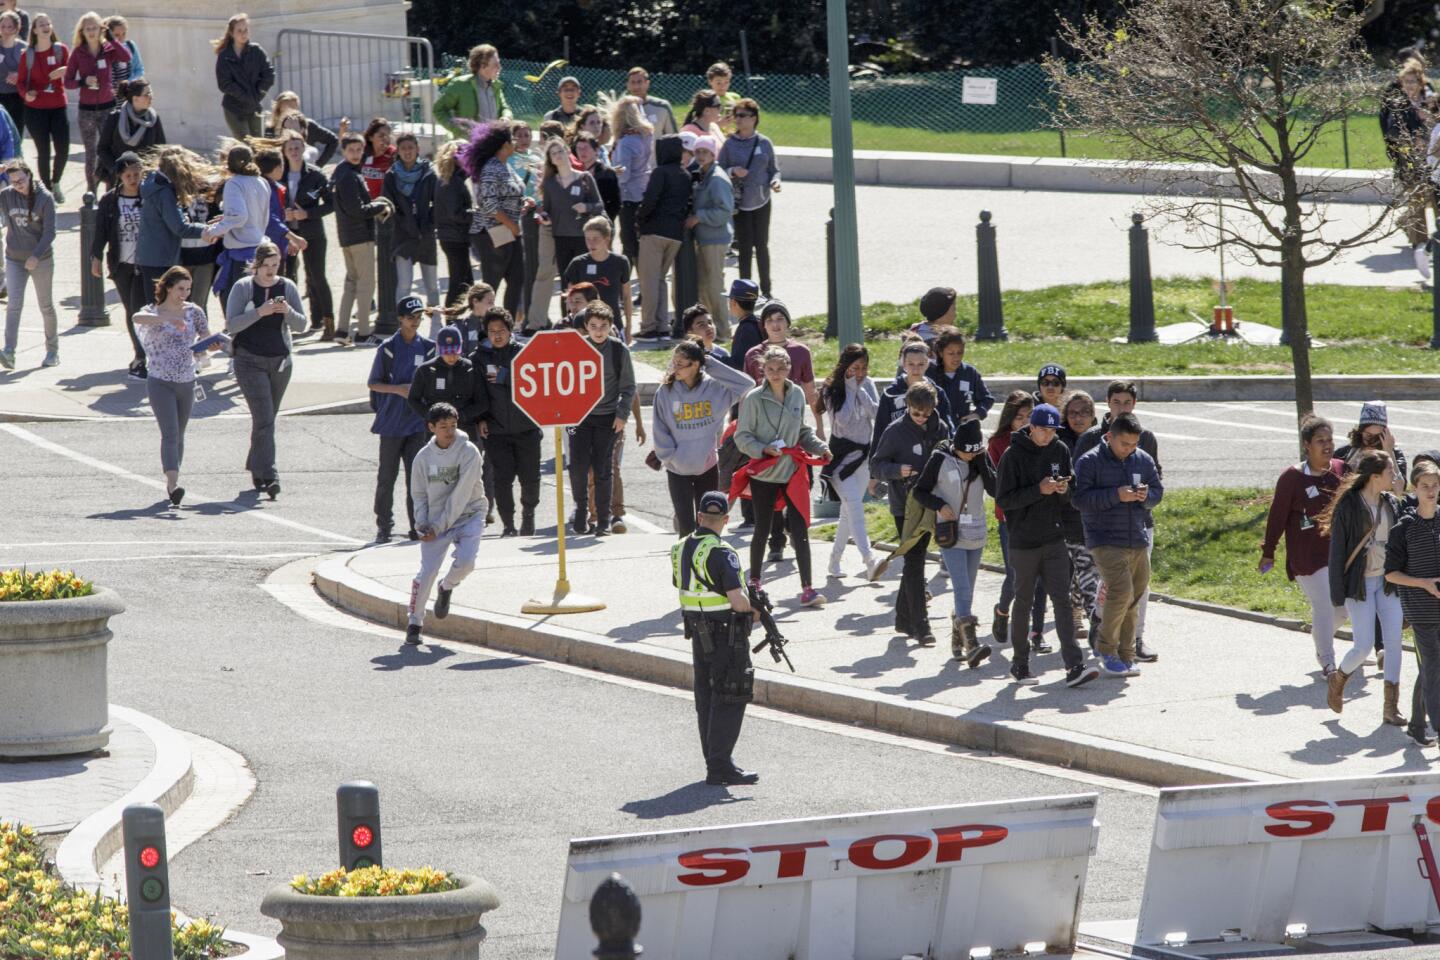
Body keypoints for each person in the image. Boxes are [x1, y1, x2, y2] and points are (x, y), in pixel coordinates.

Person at [996, 403, 1099, 687]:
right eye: (1044, 430)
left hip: (1054, 536)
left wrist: (1065, 489)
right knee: (1025, 602)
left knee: (1062, 601)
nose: (1049, 435)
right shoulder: (1012, 455)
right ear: (1032, 427)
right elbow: (1004, 500)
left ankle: (1074, 665)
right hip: (1023, 540)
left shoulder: (1060, 450)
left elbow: (1071, 488)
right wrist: (1038, 490)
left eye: (1054, 430)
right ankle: (1020, 664)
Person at [672, 490, 760, 786]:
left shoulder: (681, 547)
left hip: (697, 631)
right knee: (731, 694)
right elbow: (737, 600)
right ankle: (720, 766)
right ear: (725, 519)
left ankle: (713, 759)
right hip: (725, 633)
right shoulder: (723, 552)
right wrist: (754, 610)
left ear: (699, 517)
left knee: (706, 695)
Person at [733, 344, 831, 606]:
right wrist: (761, 449)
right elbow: (741, 436)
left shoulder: (797, 394)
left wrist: (821, 447)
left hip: (792, 471)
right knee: (762, 528)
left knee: (800, 529)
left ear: (789, 369)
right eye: (770, 368)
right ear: (761, 369)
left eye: (781, 368)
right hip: (764, 472)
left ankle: (808, 588)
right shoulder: (753, 398)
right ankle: (754, 581)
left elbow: (802, 431)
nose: (775, 373)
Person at [1075, 380, 1163, 662]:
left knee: (1135, 592)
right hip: (1103, 535)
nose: (1130, 449)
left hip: (1138, 531)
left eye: (1127, 402)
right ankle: (1105, 646)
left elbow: (1157, 487)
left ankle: (1130, 649)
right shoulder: (1090, 448)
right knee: (1119, 590)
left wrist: (1146, 497)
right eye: (1117, 402)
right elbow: (1079, 497)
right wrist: (1116, 495)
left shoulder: (1144, 449)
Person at [1319, 448, 1406, 723]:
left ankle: (1391, 708)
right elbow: (1337, 553)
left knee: (1393, 644)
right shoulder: (1349, 505)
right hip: (1359, 584)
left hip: (1387, 582)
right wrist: (1337, 594)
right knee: (1364, 646)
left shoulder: (1391, 503)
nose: (1394, 474)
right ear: (1374, 476)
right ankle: (1339, 678)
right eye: (1390, 470)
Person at [1260, 415, 1348, 678]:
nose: (1327, 445)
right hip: (1306, 557)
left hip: (1337, 554)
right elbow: (1277, 517)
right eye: (1320, 441)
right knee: (1323, 604)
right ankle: (1328, 663)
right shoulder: (1292, 477)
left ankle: (1320, 636)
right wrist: (1269, 552)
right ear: (1307, 445)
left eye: (1330, 439)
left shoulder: (1343, 470)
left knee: (1342, 611)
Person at [130, 267, 219, 507]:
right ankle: (173, 484)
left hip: (187, 380)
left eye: (188, 289)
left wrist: (213, 345)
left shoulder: (194, 312)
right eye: (180, 288)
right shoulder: (154, 311)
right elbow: (136, 318)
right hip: (160, 380)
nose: (185, 294)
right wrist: (167, 318)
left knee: (179, 433)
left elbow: (205, 338)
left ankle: (173, 481)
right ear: (168, 287)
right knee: (169, 433)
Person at [652, 337, 755, 536]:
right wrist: (669, 456)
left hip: (707, 467)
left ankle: (705, 566)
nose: (675, 368)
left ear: (696, 365)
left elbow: (746, 384)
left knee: (707, 527)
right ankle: (684, 566)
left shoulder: (715, 388)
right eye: (674, 363)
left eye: (681, 364)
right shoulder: (666, 390)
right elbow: (659, 428)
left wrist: (710, 363)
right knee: (686, 527)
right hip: (677, 469)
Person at [225, 240, 304, 496]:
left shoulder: (286, 286)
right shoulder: (243, 287)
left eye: (275, 265)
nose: (271, 271)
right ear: (256, 265)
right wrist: (260, 311)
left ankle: (256, 465)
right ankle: (270, 475)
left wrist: (287, 311)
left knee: (267, 420)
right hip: (249, 360)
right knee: (264, 419)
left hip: (280, 361)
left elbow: (302, 324)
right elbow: (232, 325)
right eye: (266, 265)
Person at [914, 419, 996, 667]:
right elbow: (920, 491)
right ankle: (972, 645)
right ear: (956, 446)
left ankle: (957, 639)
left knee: (968, 590)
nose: (969, 456)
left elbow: (994, 489)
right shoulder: (940, 459)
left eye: (974, 451)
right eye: (965, 452)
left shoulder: (979, 459)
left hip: (976, 533)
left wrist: (981, 462)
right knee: (961, 588)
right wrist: (940, 505)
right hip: (950, 533)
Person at [405, 401, 488, 645]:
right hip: (434, 522)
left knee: (466, 563)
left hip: (469, 513)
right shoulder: (423, 458)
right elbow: (418, 494)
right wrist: (422, 525)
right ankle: (414, 622)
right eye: (443, 427)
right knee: (426, 572)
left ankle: (447, 586)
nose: (450, 431)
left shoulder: (469, 451)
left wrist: (438, 527)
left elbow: (461, 494)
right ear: (431, 427)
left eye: (453, 425)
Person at [872, 380, 949, 642]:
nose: (920, 418)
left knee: (915, 558)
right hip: (902, 504)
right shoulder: (895, 431)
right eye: (916, 413)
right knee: (915, 560)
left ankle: (903, 619)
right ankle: (921, 626)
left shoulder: (941, 429)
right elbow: (876, 465)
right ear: (907, 406)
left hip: (930, 501)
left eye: (926, 414)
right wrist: (897, 470)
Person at [210, 144, 304, 320]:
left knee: (237, 305)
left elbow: (239, 217)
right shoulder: (262, 182)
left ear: (229, 166)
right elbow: (258, 217)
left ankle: (241, 339)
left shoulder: (234, 183)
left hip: (241, 254)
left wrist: (214, 230)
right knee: (257, 300)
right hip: (258, 248)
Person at [368, 296, 436, 541]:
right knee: (387, 477)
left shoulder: (428, 347)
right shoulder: (387, 348)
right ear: (400, 319)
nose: (415, 322)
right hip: (391, 424)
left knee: (416, 479)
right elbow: (373, 383)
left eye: (418, 317)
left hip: (417, 423)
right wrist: (398, 389)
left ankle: (416, 525)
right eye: (410, 317)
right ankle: (384, 526)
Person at [1385, 460, 1440, 747]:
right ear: (1414, 489)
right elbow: (1391, 573)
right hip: (1421, 611)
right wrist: (1423, 583)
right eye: (1425, 486)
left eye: (1435, 485)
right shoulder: (1403, 529)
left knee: (1430, 668)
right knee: (1432, 666)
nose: (1431, 491)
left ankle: (1418, 727)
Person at [568, 302, 635, 536]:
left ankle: (604, 519)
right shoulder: (576, 348)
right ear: (586, 326)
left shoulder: (618, 350)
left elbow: (628, 387)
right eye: (593, 326)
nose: (598, 331)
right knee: (577, 467)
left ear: (610, 327)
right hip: (581, 419)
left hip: (608, 418)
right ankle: (582, 510)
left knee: (603, 469)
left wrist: (622, 415)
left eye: (603, 326)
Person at [474, 306, 540, 536]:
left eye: (501, 330)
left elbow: (535, 383)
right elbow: (477, 392)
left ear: (510, 330)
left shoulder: (525, 353)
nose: (497, 335)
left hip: (527, 428)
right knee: (502, 480)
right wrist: (480, 419)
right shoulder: (479, 358)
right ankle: (509, 525)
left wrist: (505, 376)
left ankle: (529, 517)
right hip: (497, 431)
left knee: (530, 478)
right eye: (492, 331)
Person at [816, 343, 879, 579]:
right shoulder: (832, 388)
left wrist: (861, 389)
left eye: (863, 368)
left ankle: (834, 562)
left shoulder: (868, 384)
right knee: (854, 506)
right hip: (840, 458)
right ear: (845, 366)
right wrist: (851, 388)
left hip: (863, 456)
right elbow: (842, 421)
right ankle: (869, 559)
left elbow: (876, 413)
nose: (860, 373)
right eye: (855, 368)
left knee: (847, 512)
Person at [136, 147, 214, 325]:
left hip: (151, 257)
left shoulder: (152, 184)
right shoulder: (164, 192)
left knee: (157, 309)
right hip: (162, 259)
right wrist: (205, 230)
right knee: (164, 311)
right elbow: (179, 227)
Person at [330, 131, 393, 344]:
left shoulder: (343, 173)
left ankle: (342, 331)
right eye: (351, 150)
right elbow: (357, 209)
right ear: (344, 151)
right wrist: (381, 205)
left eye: (359, 149)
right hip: (359, 237)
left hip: (349, 237)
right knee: (365, 284)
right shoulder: (349, 175)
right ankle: (364, 332)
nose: (356, 154)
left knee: (351, 284)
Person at [461, 120, 527, 316]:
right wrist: (512, 225)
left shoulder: (505, 166)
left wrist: (523, 203)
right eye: (512, 140)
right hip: (492, 233)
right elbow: (488, 204)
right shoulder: (491, 168)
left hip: (509, 233)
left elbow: (510, 194)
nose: (515, 143)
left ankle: (507, 324)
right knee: (491, 284)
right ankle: (482, 323)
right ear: (504, 145)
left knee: (517, 278)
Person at [90, 151, 146, 376]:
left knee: (143, 309)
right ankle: (140, 354)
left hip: (146, 263)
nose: (133, 179)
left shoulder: (149, 196)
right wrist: (96, 257)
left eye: (136, 174)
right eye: (128, 175)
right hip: (122, 263)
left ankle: (146, 353)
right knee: (132, 310)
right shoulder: (110, 200)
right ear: (120, 177)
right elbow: (101, 231)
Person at [717, 98, 780, 298]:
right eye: (736, 115)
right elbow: (718, 169)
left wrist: (775, 182)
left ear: (754, 118)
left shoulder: (764, 142)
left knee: (761, 245)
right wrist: (733, 170)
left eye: (743, 115)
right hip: (740, 203)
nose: (738, 119)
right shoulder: (729, 144)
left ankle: (767, 290)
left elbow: (774, 170)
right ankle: (745, 292)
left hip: (762, 200)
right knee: (744, 247)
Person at [988, 390, 1035, 642]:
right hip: (1009, 518)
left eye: (1029, 416)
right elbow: (998, 485)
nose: (1025, 422)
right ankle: (1002, 610)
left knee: (1035, 574)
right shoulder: (998, 443)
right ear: (1010, 418)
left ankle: (1027, 627)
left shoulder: (1041, 439)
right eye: (1019, 417)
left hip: (1035, 516)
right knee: (1014, 574)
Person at [65, 11, 130, 194]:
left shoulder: (108, 49)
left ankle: (110, 189)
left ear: (100, 29)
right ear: (82, 31)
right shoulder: (78, 53)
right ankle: (91, 191)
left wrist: (111, 37)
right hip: (86, 110)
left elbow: (126, 57)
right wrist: (83, 82)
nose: (91, 32)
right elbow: (67, 81)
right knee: (91, 153)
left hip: (107, 106)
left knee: (108, 150)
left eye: (94, 27)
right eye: (87, 29)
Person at [0, 159, 55, 370]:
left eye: (21, 180)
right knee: (14, 305)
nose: (18, 185)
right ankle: (9, 351)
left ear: (29, 175)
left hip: (41, 259)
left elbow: (50, 232)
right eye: (14, 182)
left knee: (46, 306)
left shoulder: (45, 198)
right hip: (14, 258)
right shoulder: (7, 196)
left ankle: (52, 349)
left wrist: (36, 255)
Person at [1381, 59, 1433, 279]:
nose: (1410, 85)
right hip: (1410, 162)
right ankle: (1420, 246)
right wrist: (1413, 138)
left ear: (1421, 82)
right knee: (1418, 202)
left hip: (1434, 162)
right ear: (1401, 84)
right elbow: (1392, 132)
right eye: (1406, 81)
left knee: (1433, 201)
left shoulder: (1432, 102)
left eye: (1414, 81)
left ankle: (1407, 224)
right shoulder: (1398, 105)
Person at [277, 129, 333, 336]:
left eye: (297, 147)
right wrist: (284, 215)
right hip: (286, 235)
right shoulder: (278, 174)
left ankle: (325, 321)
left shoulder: (316, 175)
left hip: (312, 233)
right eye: (290, 148)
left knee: (317, 276)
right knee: (285, 278)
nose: (294, 151)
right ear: (284, 151)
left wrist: (306, 214)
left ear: (304, 149)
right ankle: (286, 321)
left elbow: (330, 204)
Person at [636, 133, 690, 341]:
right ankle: (662, 327)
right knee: (660, 280)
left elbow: (650, 200)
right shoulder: (684, 175)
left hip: (654, 232)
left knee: (649, 281)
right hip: (675, 235)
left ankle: (649, 327)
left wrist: (640, 219)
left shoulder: (660, 172)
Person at [1057, 390, 1101, 643]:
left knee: (1083, 569)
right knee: (1085, 567)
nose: (1079, 418)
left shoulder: (1099, 439)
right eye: (1073, 413)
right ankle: (1095, 620)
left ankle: (1077, 612)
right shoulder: (1060, 441)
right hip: (1069, 516)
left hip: (1095, 515)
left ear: (1093, 416)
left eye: (1085, 412)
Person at [382, 131, 440, 309]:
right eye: (403, 148)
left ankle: (436, 324)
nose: (408, 152)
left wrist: (428, 224)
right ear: (397, 151)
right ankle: (403, 324)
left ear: (418, 149)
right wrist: (404, 223)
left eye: (411, 148)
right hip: (403, 235)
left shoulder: (428, 173)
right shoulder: (391, 175)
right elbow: (387, 205)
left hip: (425, 235)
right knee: (405, 284)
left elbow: (437, 203)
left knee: (431, 284)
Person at [873, 340, 953, 468]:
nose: (916, 369)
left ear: (928, 363)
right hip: (898, 463)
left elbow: (948, 428)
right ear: (903, 364)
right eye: (911, 364)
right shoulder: (890, 394)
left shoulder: (938, 393)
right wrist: (874, 473)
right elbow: (879, 431)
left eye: (921, 364)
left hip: (930, 463)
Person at [537, 135, 603, 282]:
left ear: (567, 152)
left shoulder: (584, 178)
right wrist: (544, 218)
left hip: (583, 237)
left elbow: (599, 205)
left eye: (560, 151)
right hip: (561, 238)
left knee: (585, 282)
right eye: (553, 154)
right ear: (551, 160)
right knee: (567, 283)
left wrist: (586, 207)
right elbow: (547, 210)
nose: (557, 155)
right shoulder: (549, 183)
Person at [408, 324, 487, 448]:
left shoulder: (471, 369)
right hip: (436, 433)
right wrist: (432, 416)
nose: (451, 356)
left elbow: (482, 402)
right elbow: (413, 399)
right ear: (439, 348)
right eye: (446, 352)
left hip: (466, 430)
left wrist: (462, 415)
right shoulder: (425, 370)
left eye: (455, 351)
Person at [16, 13, 68, 198]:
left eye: (48, 23)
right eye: (41, 24)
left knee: (63, 148)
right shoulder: (28, 55)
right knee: (43, 151)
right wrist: (26, 95)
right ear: (35, 30)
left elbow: (72, 74)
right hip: (35, 109)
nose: (46, 26)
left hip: (58, 106)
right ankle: (46, 189)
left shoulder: (61, 50)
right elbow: (21, 82)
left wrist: (66, 70)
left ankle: (56, 182)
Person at [688, 135, 733, 331]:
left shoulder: (716, 179)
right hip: (705, 238)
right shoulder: (703, 174)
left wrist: (699, 217)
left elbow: (724, 211)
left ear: (713, 154)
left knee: (715, 287)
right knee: (705, 288)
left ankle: (723, 330)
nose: (701, 155)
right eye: (697, 151)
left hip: (715, 239)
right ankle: (711, 330)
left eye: (705, 152)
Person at [562, 215, 631, 338]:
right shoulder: (577, 263)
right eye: (587, 239)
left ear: (607, 238)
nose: (591, 243)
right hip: (585, 328)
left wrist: (628, 327)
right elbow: (569, 298)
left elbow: (626, 296)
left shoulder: (620, 262)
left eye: (595, 238)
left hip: (613, 325)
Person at [212, 13, 272, 140]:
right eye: (239, 31)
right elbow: (224, 83)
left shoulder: (256, 51)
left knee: (259, 144)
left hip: (254, 107)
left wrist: (259, 94)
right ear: (232, 33)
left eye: (246, 30)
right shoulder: (225, 56)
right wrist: (245, 97)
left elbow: (269, 74)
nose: (243, 34)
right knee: (246, 145)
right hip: (234, 109)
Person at [95, 78, 164, 189]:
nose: (151, 97)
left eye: (151, 93)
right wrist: (116, 170)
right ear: (135, 99)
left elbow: (161, 149)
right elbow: (102, 148)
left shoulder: (153, 119)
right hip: (119, 181)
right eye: (147, 94)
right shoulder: (115, 118)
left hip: (145, 180)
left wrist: (150, 170)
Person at [612, 95, 653, 272]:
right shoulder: (645, 136)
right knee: (641, 242)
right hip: (643, 191)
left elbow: (624, 174)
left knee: (628, 243)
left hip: (628, 196)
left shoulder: (626, 142)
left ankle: (625, 286)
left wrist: (610, 172)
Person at [434, 43, 510, 138]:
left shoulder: (496, 86)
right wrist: (459, 130)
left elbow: (505, 108)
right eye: (495, 64)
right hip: (468, 147)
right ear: (482, 66)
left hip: (492, 144)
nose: (500, 67)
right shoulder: (460, 84)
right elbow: (438, 110)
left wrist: (506, 117)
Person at [432, 138, 474, 310]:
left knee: (464, 281)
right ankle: (450, 322)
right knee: (460, 282)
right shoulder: (452, 182)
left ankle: (455, 321)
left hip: (452, 237)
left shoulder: (451, 178)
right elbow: (456, 214)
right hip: (454, 237)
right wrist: (479, 213)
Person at [1335, 400, 1407, 497]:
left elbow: (1399, 490)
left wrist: (1389, 451)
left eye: (1377, 437)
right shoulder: (1344, 453)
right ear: (1360, 432)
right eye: (1368, 436)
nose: (1372, 442)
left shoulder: (1395, 454)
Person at [926, 326, 992, 426]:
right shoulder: (929, 374)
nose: (956, 357)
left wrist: (977, 414)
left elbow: (987, 399)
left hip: (964, 430)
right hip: (938, 430)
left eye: (960, 353)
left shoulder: (969, 372)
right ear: (940, 353)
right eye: (951, 353)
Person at [573, 131, 620, 222]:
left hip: (601, 223)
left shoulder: (607, 173)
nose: (582, 152)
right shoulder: (574, 172)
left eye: (586, 148)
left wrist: (605, 222)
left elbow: (615, 204)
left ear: (596, 150)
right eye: (579, 148)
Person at [625, 67, 677, 138]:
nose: (636, 87)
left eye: (639, 82)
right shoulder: (621, 109)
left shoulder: (662, 106)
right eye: (633, 82)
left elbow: (673, 137)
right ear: (628, 85)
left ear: (647, 84)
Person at [0, 11, 26, 141]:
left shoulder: (24, 48)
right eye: (2, 26)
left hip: (18, 97)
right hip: (1, 96)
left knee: (16, 134)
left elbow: (33, 72)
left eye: (9, 27)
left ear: (17, 28)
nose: (5, 30)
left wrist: (19, 75)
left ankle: (14, 161)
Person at [359, 117, 394, 200]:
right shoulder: (362, 152)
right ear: (371, 137)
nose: (385, 139)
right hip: (364, 203)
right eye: (381, 135)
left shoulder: (393, 154)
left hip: (384, 204)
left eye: (388, 135)